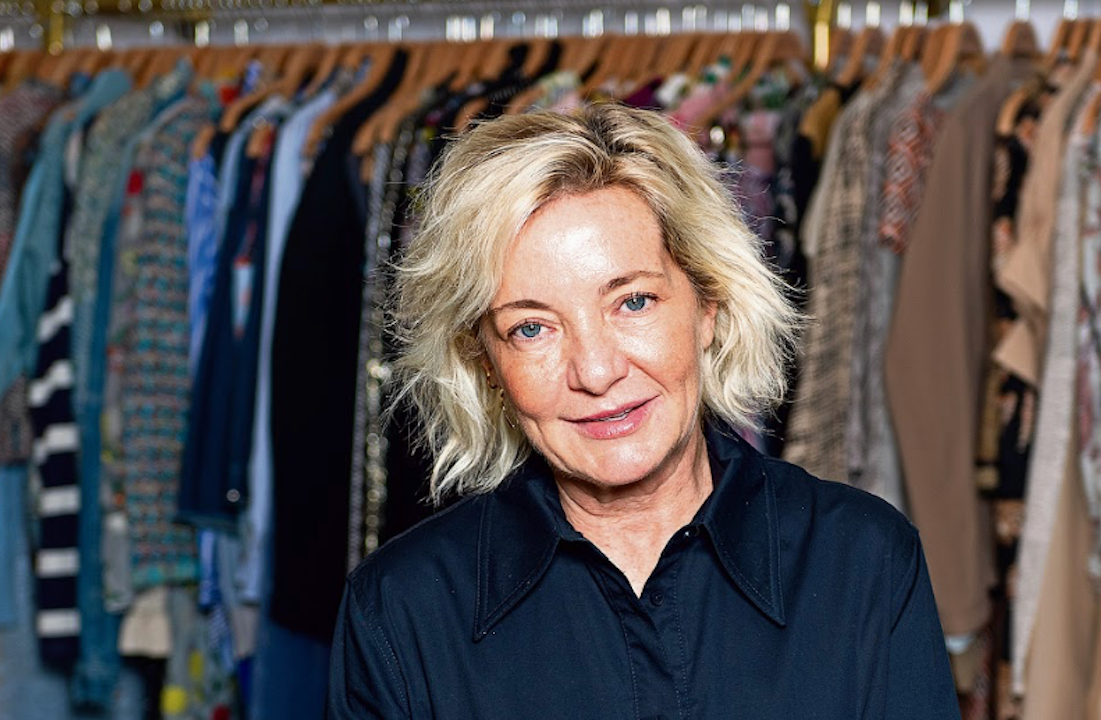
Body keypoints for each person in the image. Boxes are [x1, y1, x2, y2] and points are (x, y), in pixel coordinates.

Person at [325, 103, 959, 719]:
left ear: (708, 306)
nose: (597, 372)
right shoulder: (399, 614)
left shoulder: (864, 560)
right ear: (486, 363)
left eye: (633, 302)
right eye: (532, 329)